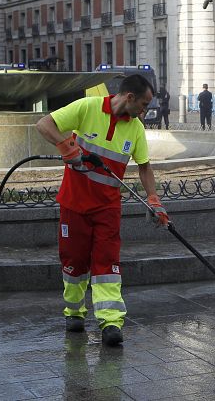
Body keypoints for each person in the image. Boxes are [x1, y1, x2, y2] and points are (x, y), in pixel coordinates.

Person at [35, 74, 170, 346]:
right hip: (74, 204)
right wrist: (66, 147)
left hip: (107, 209)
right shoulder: (88, 108)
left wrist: (154, 199)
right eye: (143, 104)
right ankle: (74, 312)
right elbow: (44, 124)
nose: (145, 111)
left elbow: (144, 167)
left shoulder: (135, 128)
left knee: (107, 263)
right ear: (129, 97)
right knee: (73, 261)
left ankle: (111, 322)